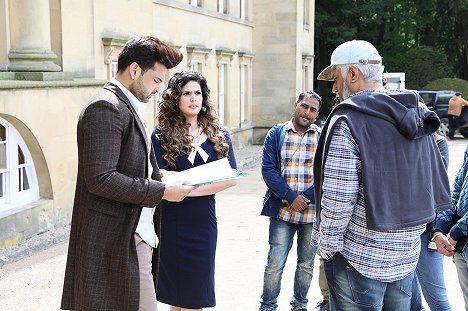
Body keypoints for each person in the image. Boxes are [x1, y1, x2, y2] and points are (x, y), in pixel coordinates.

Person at [313, 39, 451, 310]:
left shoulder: (348, 120)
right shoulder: (416, 114)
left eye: (336, 78)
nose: (333, 88)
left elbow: (338, 198)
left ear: (353, 74)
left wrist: (326, 249)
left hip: (357, 259)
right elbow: (432, 185)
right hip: (405, 256)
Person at [60, 36, 195, 311]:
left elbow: (134, 166)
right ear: (135, 70)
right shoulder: (105, 107)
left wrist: (163, 178)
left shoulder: (126, 105)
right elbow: (100, 178)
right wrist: (162, 191)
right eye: (157, 80)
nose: (159, 89)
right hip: (116, 239)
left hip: (134, 234)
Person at [151, 71, 237, 311]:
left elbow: (230, 177)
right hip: (171, 222)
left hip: (203, 222)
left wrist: (183, 186)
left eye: (197, 93)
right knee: (177, 297)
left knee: (196, 295)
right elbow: (158, 177)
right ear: (175, 98)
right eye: (186, 93)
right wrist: (205, 181)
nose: (193, 98)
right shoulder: (160, 135)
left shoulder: (219, 134)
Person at [259, 91, 322, 311]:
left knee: (306, 265)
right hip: (282, 212)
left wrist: (306, 198)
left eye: (313, 109)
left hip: (311, 214)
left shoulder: (321, 137)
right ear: (296, 104)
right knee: (274, 264)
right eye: (304, 106)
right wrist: (291, 197)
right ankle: (267, 306)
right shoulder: (276, 133)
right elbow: (268, 169)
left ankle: (299, 305)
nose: (307, 112)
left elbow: (326, 173)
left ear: (317, 114)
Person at [411, 132, 453, 311]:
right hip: (403, 231)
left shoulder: (438, 141)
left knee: (437, 298)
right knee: (411, 302)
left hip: (428, 230)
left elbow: (435, 181)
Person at [433, 145, 468, 310]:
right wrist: (440, 227)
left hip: (459, 236)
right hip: (461, 245)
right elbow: (457, 189)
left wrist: (455, 232)